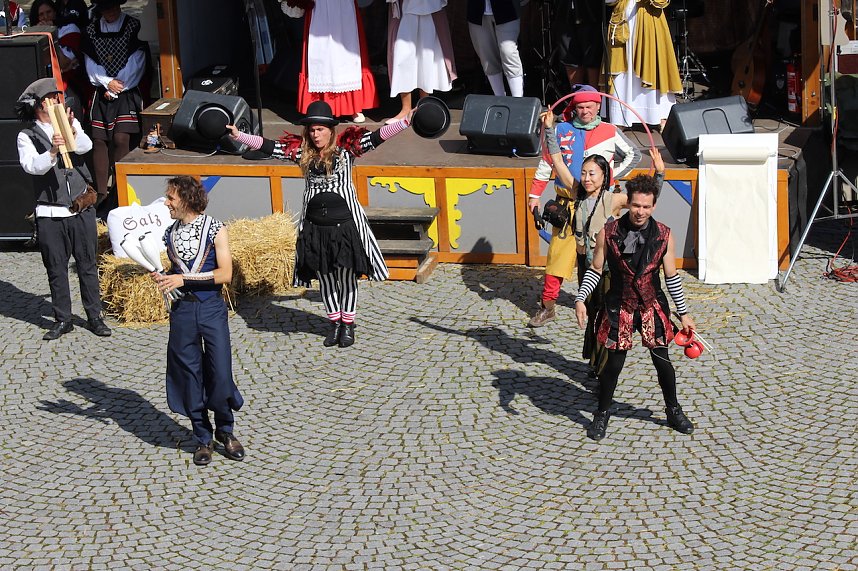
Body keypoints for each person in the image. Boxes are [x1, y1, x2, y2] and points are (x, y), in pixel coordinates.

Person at [227, 101, 411, 347]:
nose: (316, 134)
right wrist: (240, 136)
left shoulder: (347, 151)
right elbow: (270, 147)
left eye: (320, 130)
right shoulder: (301, 152)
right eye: (312, 130)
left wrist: (407, 121)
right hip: (315, 227)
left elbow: (378, 137)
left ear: (331, 130)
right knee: (324, 277)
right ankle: (334, 323)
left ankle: (348, 324)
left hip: (343, 226)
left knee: (345, 276)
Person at [573, 172, 695, 441]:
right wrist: (580, 298)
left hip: (652, 306)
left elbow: (671, 277)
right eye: (636, 205)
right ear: (629, 202)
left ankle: (673, 410)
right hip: (620, 306)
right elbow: (595, 270)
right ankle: (602, 414)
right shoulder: (609, 232)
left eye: (646, 206)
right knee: (613, 366)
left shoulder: (664, 235)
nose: (640, 211)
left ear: (654, 206)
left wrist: (684, 314)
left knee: (663, 363)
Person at [526, 85, 639, 328]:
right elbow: (548, 162)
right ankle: (547, 307)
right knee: (557, 258)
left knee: (602, 257)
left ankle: (601, 304)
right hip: (568, 205)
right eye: (580, 107)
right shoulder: (560, 130)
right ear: (574, 108)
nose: (585, 111)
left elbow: (634, 155)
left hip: (601, 204)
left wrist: (609, 178)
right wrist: (534, 195)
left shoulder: (610, 130)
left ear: (598, 106)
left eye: (589, 106)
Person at [551, 142, 666, 375]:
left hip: (607, 271)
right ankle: (595, 362)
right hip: (586, 266)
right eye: (583, 173)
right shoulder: (578, 194)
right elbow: (559, 163)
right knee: (591, 313)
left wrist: (659, 173)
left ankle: (604, 371)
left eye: (592, 173)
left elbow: (643, 200)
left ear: (604, 176)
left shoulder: (612, 199)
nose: (586, 178)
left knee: (606, 316)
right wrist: (550, 132)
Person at [153, 176, 245, 466]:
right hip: (182, 311)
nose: (166, 203)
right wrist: (165, 277)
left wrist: (184, 278)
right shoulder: (169, 233)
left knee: (219, 370)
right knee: (188, 373)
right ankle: (202, 437)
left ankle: (226, 431)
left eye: (171, 198)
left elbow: (225, 274)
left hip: (211, 309)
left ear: (187, 200)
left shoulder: (215, 229)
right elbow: (175, 270)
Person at [15, 77, 112, 341]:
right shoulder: (27, 135)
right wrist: (53, 151)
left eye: (58, 98)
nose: (58, 103)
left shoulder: (71, 123)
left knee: (87, 264)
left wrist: (70, 130)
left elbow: (86, 147)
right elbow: (32, 166)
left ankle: (94, 316)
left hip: (80, 208)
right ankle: (63, 319)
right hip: (50, 213)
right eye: (52, 100)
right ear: (40, 106)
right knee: (56, 268)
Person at [81, 0, 147, 215]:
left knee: (121, 138)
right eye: (106, 9)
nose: (111, 12)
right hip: (103, 89)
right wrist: (105, 82)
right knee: (99, 139)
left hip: (126, 89)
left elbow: (137, 60)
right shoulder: (91, 31)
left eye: (113, 7)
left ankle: (121, 190)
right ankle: (101, 194)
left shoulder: (132, 25)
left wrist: (117, 86)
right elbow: (91, 62)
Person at [285, 0, 379, 123]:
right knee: (320, 51)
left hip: (344, 5)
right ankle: (319, 105)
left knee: (347, 50)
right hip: (319, 6)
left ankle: (353, 106)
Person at [605, 0, 682, 128]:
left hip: (649, 21)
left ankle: (659, 115)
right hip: (622, 21)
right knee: (622, 69)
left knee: (653, 66)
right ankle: (620, 117)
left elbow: (661, 2)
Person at [385, 0, 456, 123]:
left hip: (430, 7)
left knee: (427, 56)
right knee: (402, 56)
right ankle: (406, 109)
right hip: (406, 9)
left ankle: (423, 106)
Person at [29, 0, 90, 121]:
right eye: (41, 14)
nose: (46, 17)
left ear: (55, 12)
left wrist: (51, 37)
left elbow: (64, 63)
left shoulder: (70, 29)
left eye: (49, 12)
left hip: (70, 85)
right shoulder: (32, 34)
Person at [467, 0, 524, 97]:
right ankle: (499, 99)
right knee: (486, 55)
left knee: (508, 51)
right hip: (477, 8)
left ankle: (518, 101)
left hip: (508, 7)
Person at [556, 0, 606, 89]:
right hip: (564, 11)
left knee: (593, 57)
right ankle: (577, 97)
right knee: (569, 58)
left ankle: (594, 98)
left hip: (591, 12)